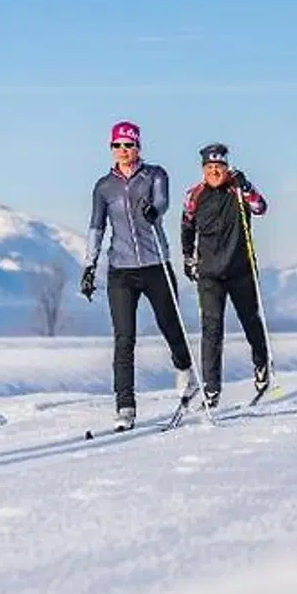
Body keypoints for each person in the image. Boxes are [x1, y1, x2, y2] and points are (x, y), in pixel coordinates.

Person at [79, 120, 197, 431]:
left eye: (128, 145)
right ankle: (125, 406)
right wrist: (89, 265)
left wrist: (153, 212)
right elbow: (96, 226)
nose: (123, 151)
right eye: (117, 145)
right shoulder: (104, 187)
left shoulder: (155, 175)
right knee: (124, 338)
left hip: (154, 264)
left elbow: (162, 202)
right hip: (121, 271)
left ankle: (185, 368)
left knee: (170, 325)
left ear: (138, 147)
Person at [179, 142, 271, 408]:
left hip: (239, 269)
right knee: (212, 328)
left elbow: (261, 208)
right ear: (203, 169)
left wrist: (247, 186)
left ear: (227, 167)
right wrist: (188, 257)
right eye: (210, 167)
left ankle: (262, 363)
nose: (214, 172)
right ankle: (211, 386)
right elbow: (186, 226)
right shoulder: (194, 195)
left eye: (219, 167)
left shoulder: (238, 189)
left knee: (250, 321)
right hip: (209, 273)